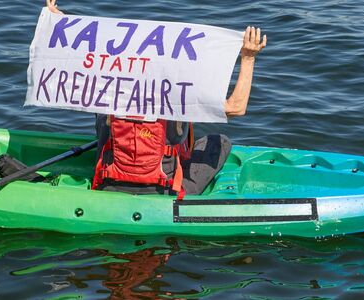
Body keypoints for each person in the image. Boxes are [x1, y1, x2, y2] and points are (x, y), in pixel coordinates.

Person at [46, 0, 266, 197]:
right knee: (220, 140)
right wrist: (248, 58)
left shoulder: (106, 89)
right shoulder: (179, 98)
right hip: (165, 189)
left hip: (107, 183)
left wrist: (61, 26)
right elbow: (236, 108)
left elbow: (74, 63)